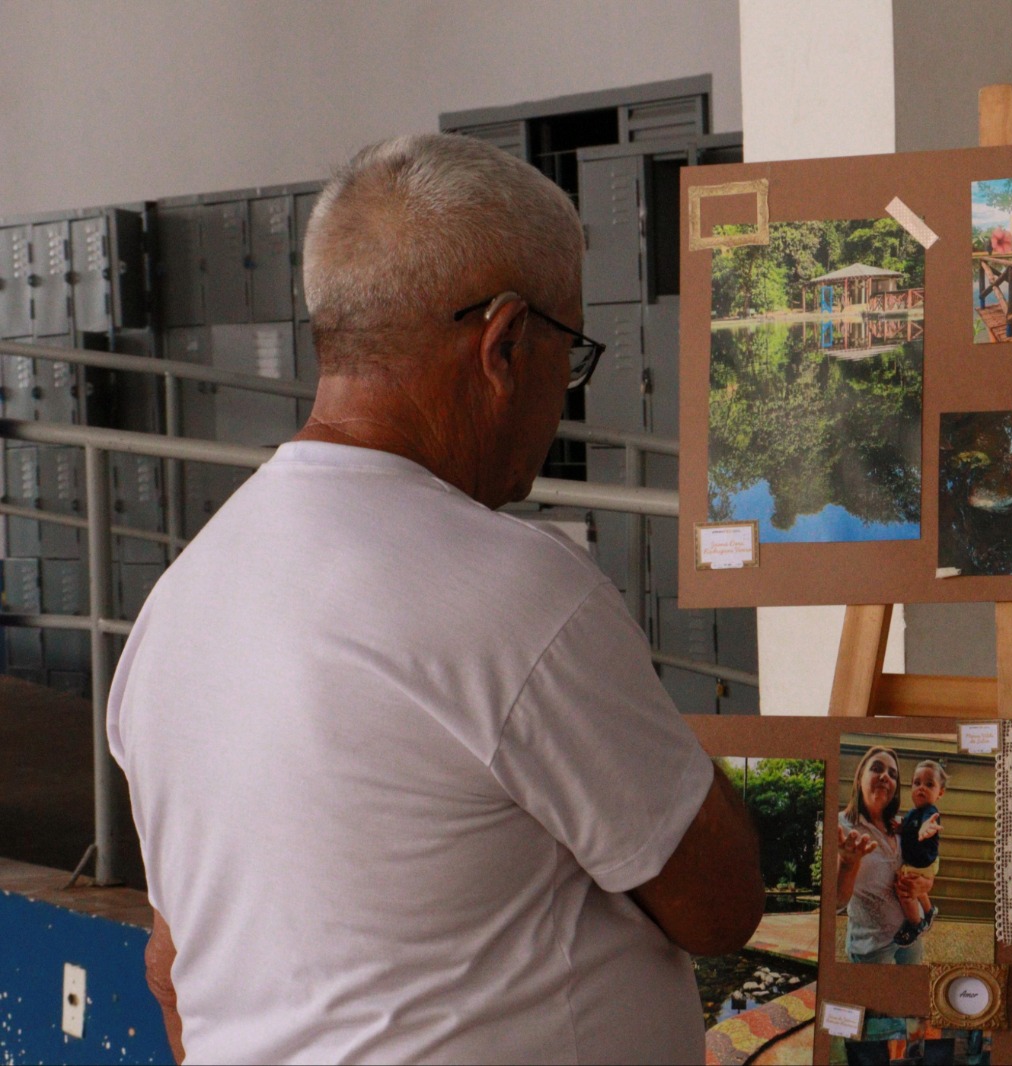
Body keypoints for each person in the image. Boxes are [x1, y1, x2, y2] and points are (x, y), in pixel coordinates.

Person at [108, 132, 764, 1065]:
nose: (562, 402)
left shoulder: (178, 605)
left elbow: (175, 970)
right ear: (503, 342)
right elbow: (722, 905)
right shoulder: (512, 593)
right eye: (568, 355)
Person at [835, 745, 934, 965]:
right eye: (876, 768)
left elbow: (925, 866)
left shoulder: (901, 825)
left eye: (892, 774)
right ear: (860, 776)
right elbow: (835, 902)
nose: (884, 776)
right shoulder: (840, 826)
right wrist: (847, 864)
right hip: (872, 950)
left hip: (911, 939)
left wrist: (925, 884)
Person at [892, 759, 946, 946]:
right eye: (917, 783)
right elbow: (908, 828)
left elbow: (927, 822)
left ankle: (916, 924)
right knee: (917, 886)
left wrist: (926, 828)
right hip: (920, 862)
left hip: (922, 861)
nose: (921, 788)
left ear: (940, 792)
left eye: (929, 784)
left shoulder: (929, 811)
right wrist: (900, 828)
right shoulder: (912, 813)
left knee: (905, 890)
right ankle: (929, 911)